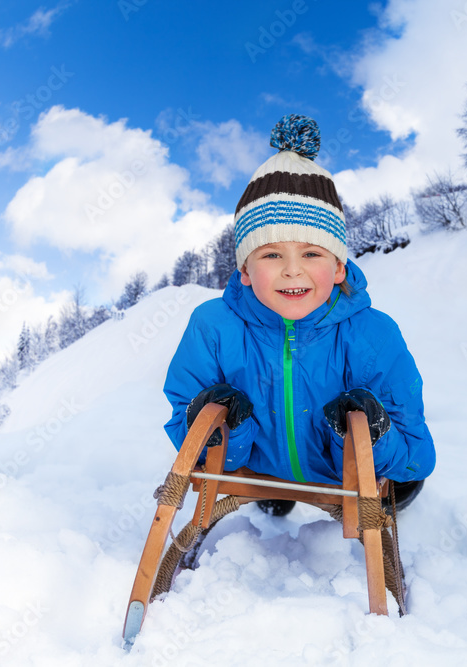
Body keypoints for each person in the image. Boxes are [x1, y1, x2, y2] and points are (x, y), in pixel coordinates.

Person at [163, 114, 434, 516]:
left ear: (339, 267)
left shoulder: (373, 334)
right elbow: (184, 425)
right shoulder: (213, 327)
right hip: (258, 466)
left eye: (311, 253)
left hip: (344, 471)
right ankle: (278, 493)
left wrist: (369, 436)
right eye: (271, 254)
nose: (292, 270)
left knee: (406, 483)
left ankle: (367, 497)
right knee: (261, 475)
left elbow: (417, 454)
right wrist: (226, 430)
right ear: (244, 271)